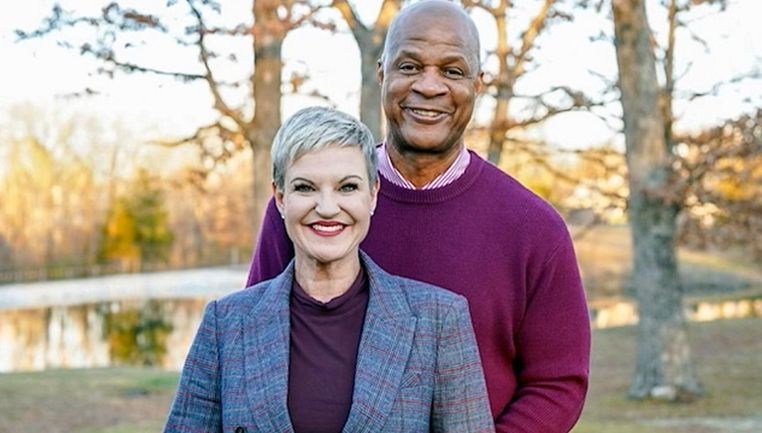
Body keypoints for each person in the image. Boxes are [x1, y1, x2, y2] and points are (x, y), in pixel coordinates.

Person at [246, 2, 591, 432]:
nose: (429, 87)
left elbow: (557, 383)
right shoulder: (311, 211)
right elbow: (253, 349)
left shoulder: (534, 228)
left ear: (478, 84)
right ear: (381, 73)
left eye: (452, 71)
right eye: (409, 66)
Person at [165, 106, 495, 433]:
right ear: (280, 198)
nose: (326, 208)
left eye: (347, 187)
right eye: (305, 188)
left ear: (373, 195)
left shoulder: (438, 320)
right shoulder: (226, 325)